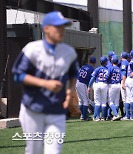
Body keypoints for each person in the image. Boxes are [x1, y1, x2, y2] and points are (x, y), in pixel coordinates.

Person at [12, 11, 79, 154]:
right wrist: (45, 83)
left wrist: (69, 93)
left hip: (57, 111)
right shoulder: (32, 49)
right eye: (57, 27)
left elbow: (73, 74)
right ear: (46, 28)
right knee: (33, 151)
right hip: (33, 110)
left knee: (54, 151)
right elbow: (18, 75)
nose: (61, 31)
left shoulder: (69, 52)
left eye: (63, 27)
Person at [88, 56, 109, 121]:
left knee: (97, 102)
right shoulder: (108, 69)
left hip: (97, 84)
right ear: (106, 62)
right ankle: (103, 117)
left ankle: (96, 117)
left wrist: (89, 86)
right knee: (103, 102)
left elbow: (92, 78)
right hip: (104, 84)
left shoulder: (97, 69)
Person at [76, 57, 96, 121]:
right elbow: (91, 79)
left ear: (89, 61)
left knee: (80, 100)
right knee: (85, 101)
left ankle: (82, 115)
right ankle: (84, 116)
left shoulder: (83, 66)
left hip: (77, 81)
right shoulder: (92, 69)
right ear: (95, 63)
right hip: (82, 83)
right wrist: (89, 86)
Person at [122, 50, 133, 120]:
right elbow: (132, 64)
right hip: (132, 79)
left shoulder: (131, 60)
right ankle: (132, 116)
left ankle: (127, 115)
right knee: (132, 98)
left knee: (128, 98)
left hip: (128, 79)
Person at [108, 55, 121, 121]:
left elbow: (107, 76)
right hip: (118, 84)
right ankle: (116, 115)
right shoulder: (119, 68)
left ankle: (116, 114)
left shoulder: (111, 68)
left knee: (110, 101)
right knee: (116, 102)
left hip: (112, 85)